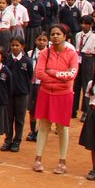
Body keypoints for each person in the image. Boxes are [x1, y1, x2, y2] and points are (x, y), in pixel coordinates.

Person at [33, 24, 79, 175]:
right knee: (44, 126)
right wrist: (60, 77)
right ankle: (38, 159)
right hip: (47, 92)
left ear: (65, 36)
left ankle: (62, 162)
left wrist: (52, 73)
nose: (55, 36)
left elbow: (72, 74)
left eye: (58, 34)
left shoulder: (72, 54)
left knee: (62, 128)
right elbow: (39, 73)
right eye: (52, 34)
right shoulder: (44, 53)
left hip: (63, 95)